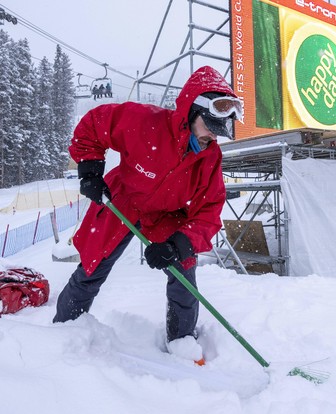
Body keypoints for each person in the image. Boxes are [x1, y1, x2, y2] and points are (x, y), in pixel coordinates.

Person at [53, 66, 242, 360]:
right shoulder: (145, 122)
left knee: (183, 274)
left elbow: (210, 209)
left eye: (217, 135)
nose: (211, 140)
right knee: (93, 265)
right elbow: (94, 124)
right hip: (124, 200)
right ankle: (63, 330)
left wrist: (178, 244)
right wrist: (90, 170)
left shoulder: (210, 157)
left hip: (168, 216)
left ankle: (182, 342)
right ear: (193, 111)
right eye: (209, 130)